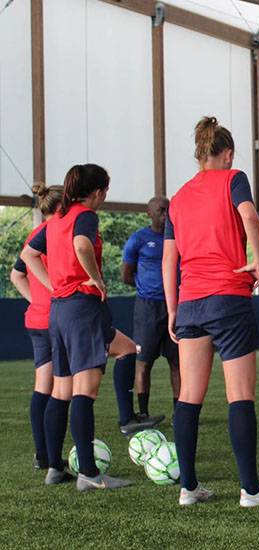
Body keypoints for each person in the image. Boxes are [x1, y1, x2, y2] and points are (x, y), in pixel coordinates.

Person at [163, 116, 259, 507]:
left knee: (189, 396)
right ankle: (250, 490)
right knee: (240, 395)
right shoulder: (234, 177)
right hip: (228, 297)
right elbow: (250, 216)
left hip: (190, 303)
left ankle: (188, 488)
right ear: (227, 153)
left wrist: (172, 310)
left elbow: (170, 259)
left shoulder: (178, 197)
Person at [21, 164, 140, 490]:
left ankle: (54, 467)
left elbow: (29, 255)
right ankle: (89, 473)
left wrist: (53, 286)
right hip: (82, 309)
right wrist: (97, 279)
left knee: (60, 392)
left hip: (58, 312)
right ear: (98, 191)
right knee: (84, 392)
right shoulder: (84, 216)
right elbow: (83, 247)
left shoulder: (56, 219)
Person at [10, 183, 63, 470]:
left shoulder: (34, 235)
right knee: (63, 386)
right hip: (56, 317)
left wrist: (37, 300)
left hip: (37, 317)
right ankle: (52, 458)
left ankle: (43, 454)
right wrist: (54, 293)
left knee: (43, 384)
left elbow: (15, 275)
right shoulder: (56, 232)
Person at [122, 196, 178, 421]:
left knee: (177, 362)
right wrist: (149, 288)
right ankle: (143, 411)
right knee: (144, 361)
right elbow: (125, 275)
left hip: (175, 305)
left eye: (168, 211)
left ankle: (179, 412)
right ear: (149, 213)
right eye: (161, 211)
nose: (165, 215)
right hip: (147, 308)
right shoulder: (138, 239)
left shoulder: (178, 238)